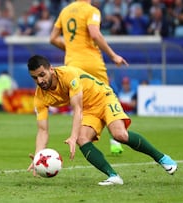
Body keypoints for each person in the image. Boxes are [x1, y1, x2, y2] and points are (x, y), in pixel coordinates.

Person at [26, 55, 178, 185]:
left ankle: (163, 159)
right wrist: (39, 156)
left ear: (51, 69)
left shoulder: (68, 75)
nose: (39, 81)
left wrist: (72, 137)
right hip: (89, 109)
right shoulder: (40, 97)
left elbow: (77, 108)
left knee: (120, 135)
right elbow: (42, 130)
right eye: (35, 78)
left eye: (42, 75)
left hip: (103, 98)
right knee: (82, 138)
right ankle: (113, 176)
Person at [50, 0, 128, 154]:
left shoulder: (64, 11)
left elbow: (52, 38)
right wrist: (113, 56)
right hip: (91, 62)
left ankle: (81, 136)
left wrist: (71, 48)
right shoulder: (91, 10)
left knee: (80, 102)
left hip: (72, 64)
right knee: (106, 96)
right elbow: (94, 33)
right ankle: (115, 139)